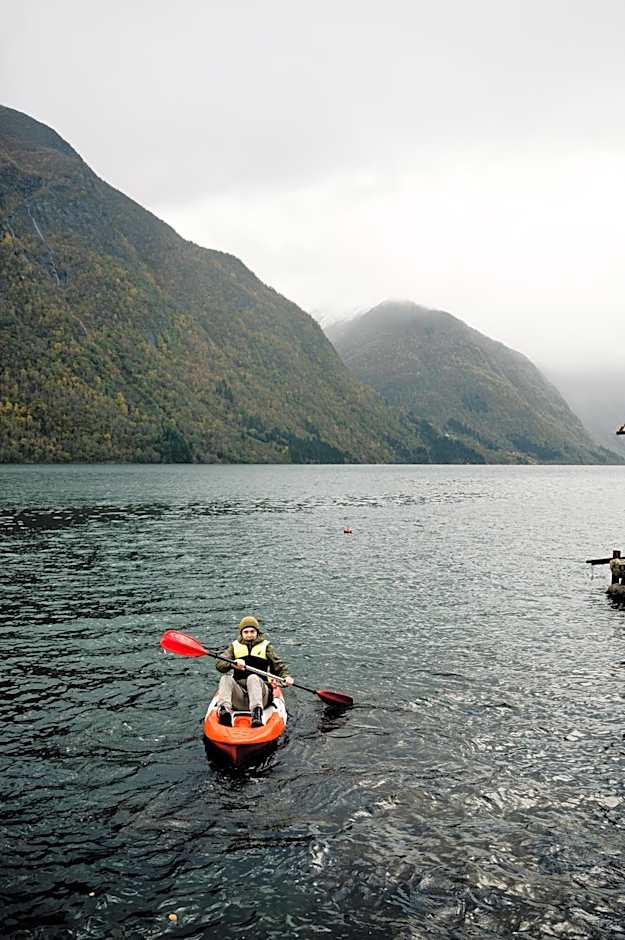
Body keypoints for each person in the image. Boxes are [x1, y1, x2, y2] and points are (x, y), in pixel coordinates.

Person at [215, 616, 294, 727]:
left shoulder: (266, 646)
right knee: (225, 678)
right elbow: (219, 665)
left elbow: (278, 666)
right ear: (241, 633)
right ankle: (224, 711)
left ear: (257, 632)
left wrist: (286, 677)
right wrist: (232, 664)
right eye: (246, 632)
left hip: (262, 696)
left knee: (253, 678)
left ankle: (257, 714)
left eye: (252, 631)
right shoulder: (234, 647)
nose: (249, 634)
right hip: (240, 697)